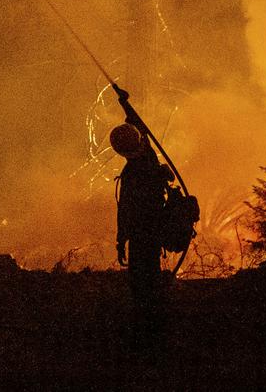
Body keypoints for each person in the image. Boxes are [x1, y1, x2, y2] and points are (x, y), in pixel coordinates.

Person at [110, 89, 169, 348]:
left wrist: (121, 239)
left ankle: (149, 332)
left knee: (142, 283)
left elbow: (126, 210)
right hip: (150, 232)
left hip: (142, 234)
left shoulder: (136, 172)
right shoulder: (148, 156)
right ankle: (153, 327)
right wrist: (124, 102)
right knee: (149, 280)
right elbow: (137, 123)